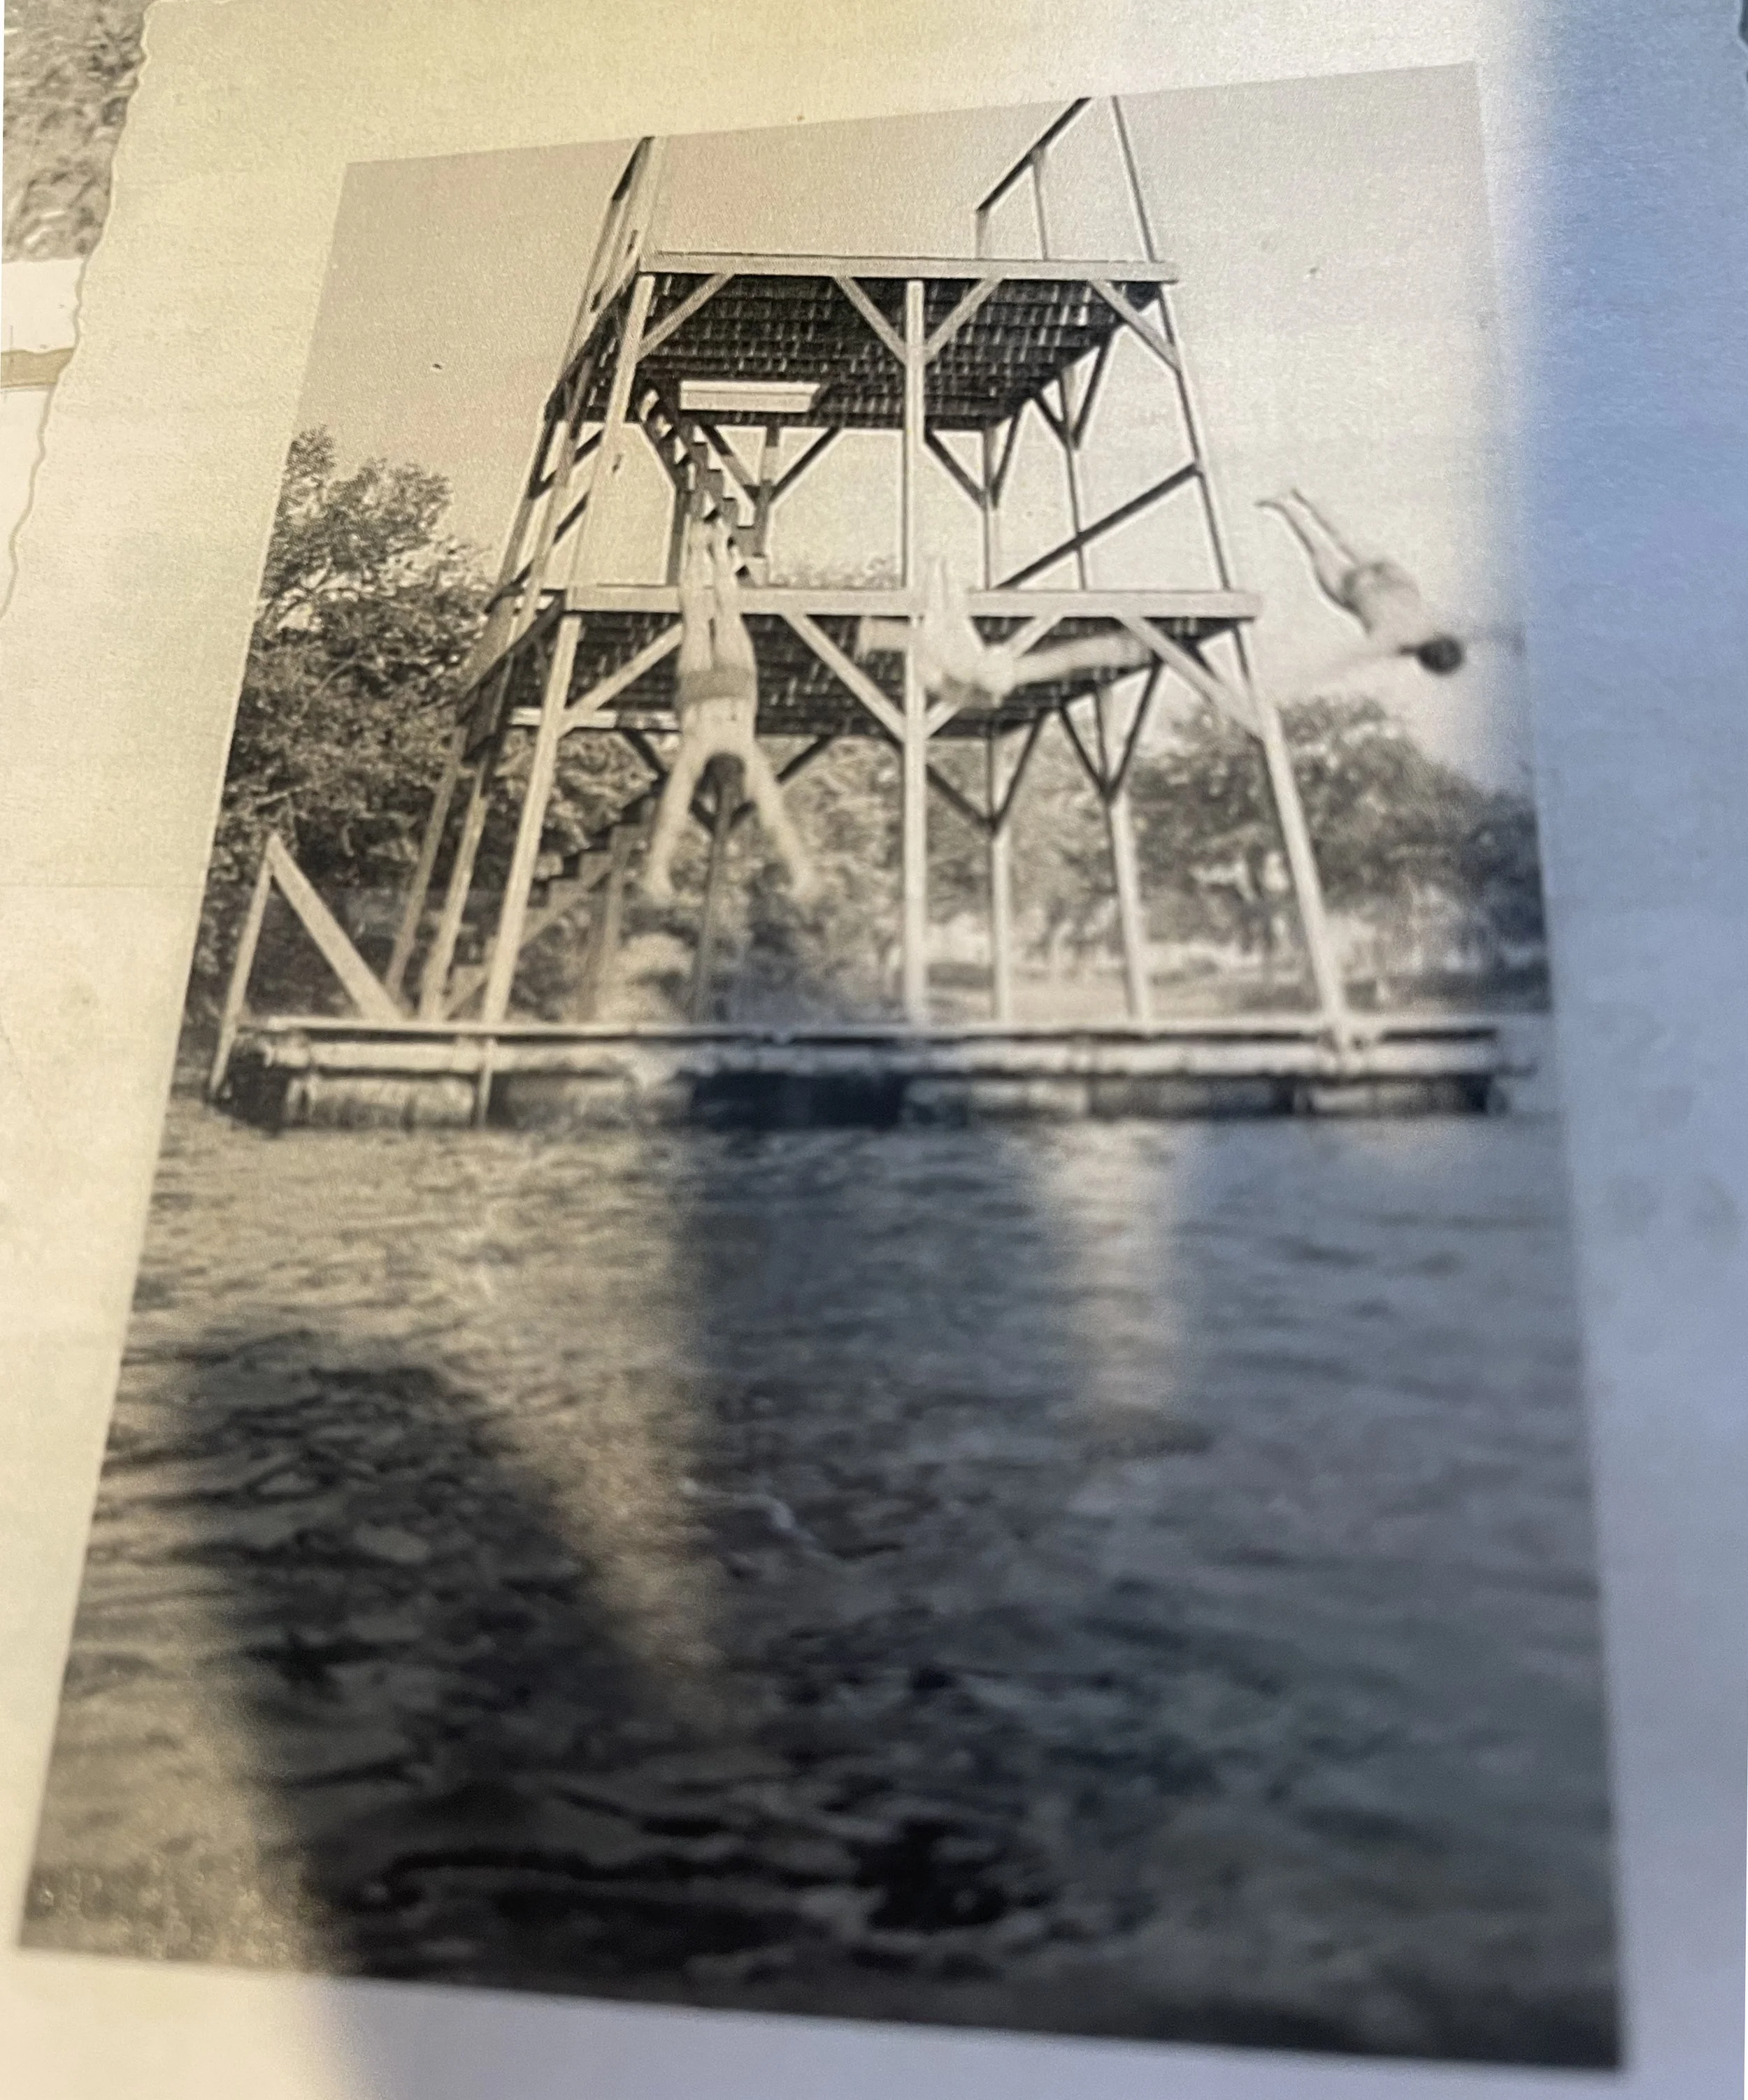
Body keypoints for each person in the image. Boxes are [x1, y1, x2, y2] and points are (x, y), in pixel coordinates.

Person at [642, 517, 819, 906]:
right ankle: (707, 549)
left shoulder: (727, 754)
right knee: (702, 620)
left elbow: (672, 819)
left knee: (719, 616)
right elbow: (775, 823)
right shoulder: (705, 756)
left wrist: (658, 869)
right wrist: (801, 872)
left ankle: (715, 550)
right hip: (701, 696)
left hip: (730, 692)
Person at [856, 557, 1152, 703]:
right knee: (941, 629)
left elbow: (943, 632)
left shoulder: (973, 669)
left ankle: (1123, 648)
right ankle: (1124, 648)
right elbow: (1063, 658)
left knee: (939, 630)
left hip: (977, 676)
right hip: (980, 676)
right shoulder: (985, 669)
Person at [1258, 489, 1466, 675]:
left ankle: (1306, 499)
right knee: (1319, 547)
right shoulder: (1389, 644)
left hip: (1394, 584)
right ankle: (1287, 506)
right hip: (1360, 593)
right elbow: (1342, 662)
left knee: (1346, 538)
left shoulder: (1430, 627)